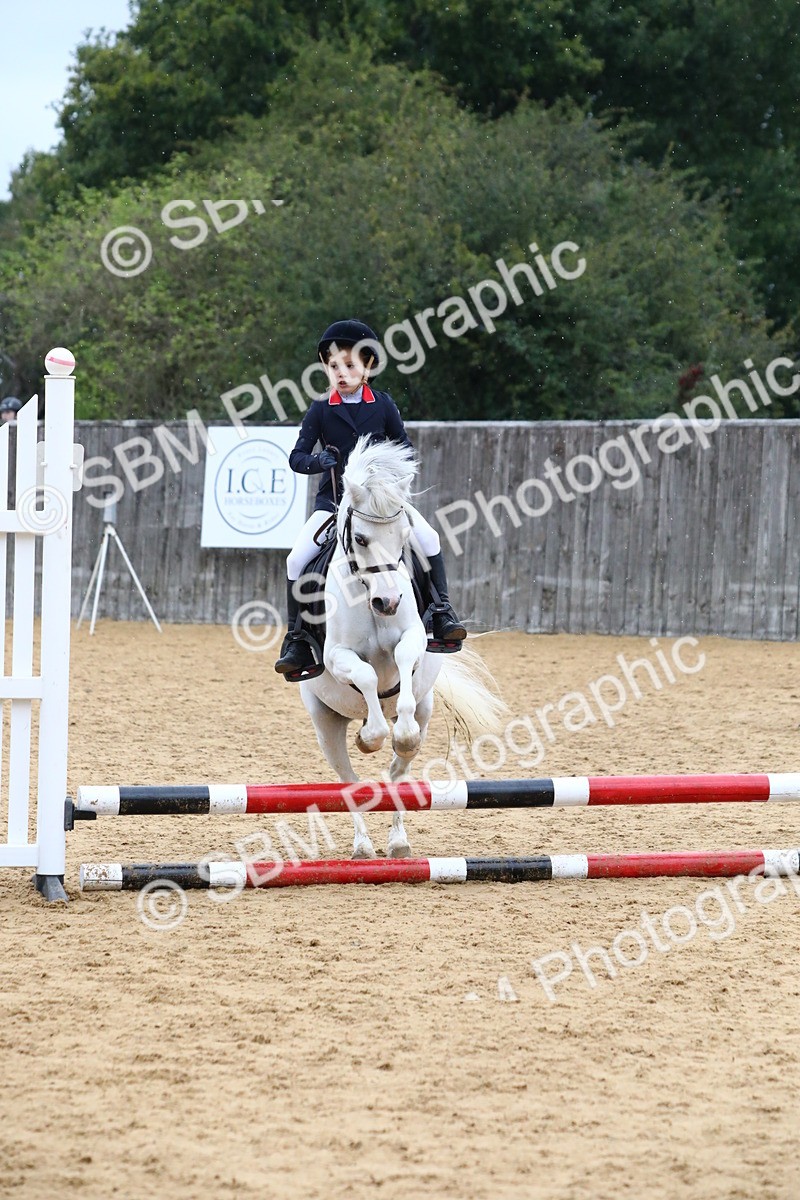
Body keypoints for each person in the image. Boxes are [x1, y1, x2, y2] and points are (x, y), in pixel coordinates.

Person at [275, 319, 466, 677]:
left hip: (380, 505)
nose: (341, 373)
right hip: (333, 504)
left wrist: (388, 474)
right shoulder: (320, 409)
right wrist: (318, 460)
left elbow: (405, 449)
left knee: (430, 538)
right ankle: (298, 639)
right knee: (295, 559)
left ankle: (441, 612)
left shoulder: (383, 405)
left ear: (369, 367)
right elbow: (296, 457)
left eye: (350, 365)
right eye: (334, 366)